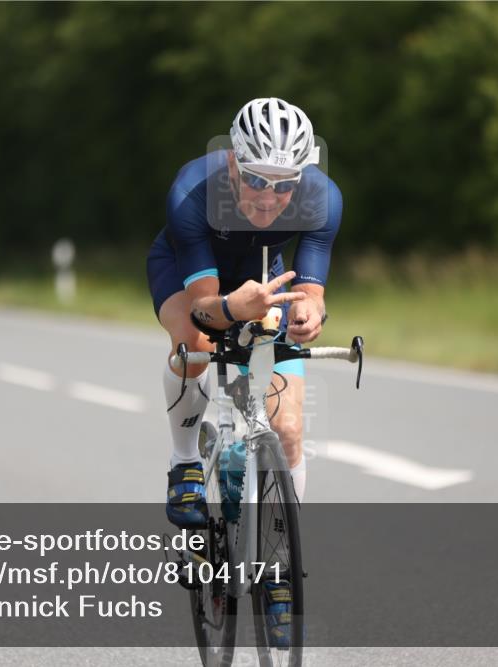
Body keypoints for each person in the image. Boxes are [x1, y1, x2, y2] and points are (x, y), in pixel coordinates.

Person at [145, 97, 342, 645]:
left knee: (289, 428)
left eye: (285, 185)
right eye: (257, 179)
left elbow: (315, 289)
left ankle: (279, 565)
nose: (271, 197)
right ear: (233, 162)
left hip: (264, 278)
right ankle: (185, 463)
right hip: (195, 278)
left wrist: (309, 312)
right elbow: (207, 307)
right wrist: (235, 309)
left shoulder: (322, 198)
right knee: (195, 342)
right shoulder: (192, 190)